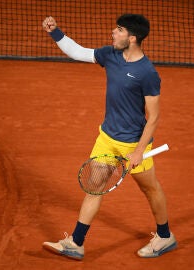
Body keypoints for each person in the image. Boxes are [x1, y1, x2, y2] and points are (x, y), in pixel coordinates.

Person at [42, 14, 177, 260]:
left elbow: (154, 117)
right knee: (94, 188)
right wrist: (55, 32)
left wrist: (138, 152)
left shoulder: (147, 73)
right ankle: (76, 242)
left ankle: (165, 236)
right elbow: (78, 52)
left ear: (132, 38)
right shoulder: (110, 55)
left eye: (119, 30)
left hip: (133, 144)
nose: (113, 33)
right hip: (106, 137)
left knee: (150, 189)